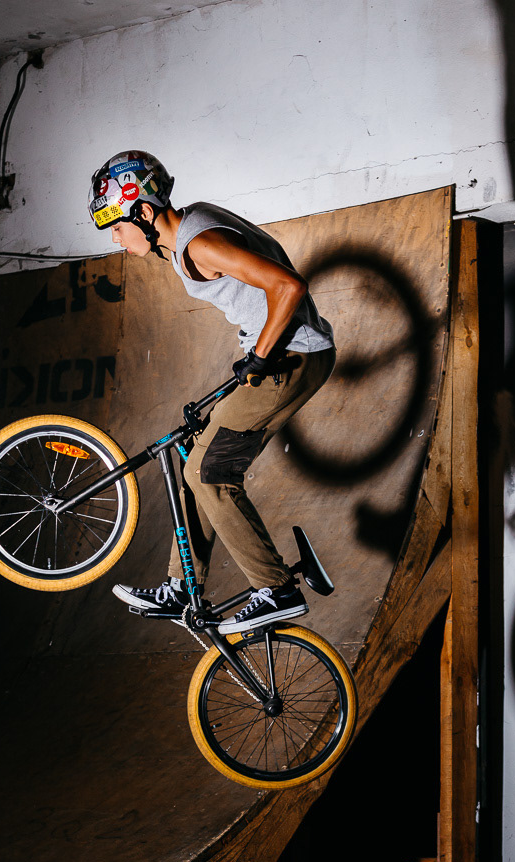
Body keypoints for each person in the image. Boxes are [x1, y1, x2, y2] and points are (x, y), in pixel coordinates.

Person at [88, 150, 335, 635]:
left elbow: (288, 286)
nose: (115, 238)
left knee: (209, 471)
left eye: (116, 226)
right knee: (193, 454)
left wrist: (260, 355)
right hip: (284, 355)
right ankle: (182, 586)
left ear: (142, 211)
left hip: (293, 358)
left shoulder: (198, 244)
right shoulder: (191, 227)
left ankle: (276, 588)